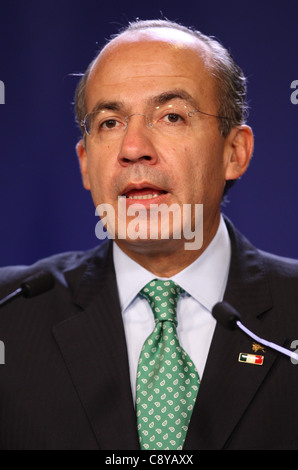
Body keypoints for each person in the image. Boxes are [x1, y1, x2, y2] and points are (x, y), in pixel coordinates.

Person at [0, 18, 298, 451]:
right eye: (109, 122)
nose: (133, 147)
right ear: (85, 163)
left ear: (234, 152)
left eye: (172, 116)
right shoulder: (9, 313)